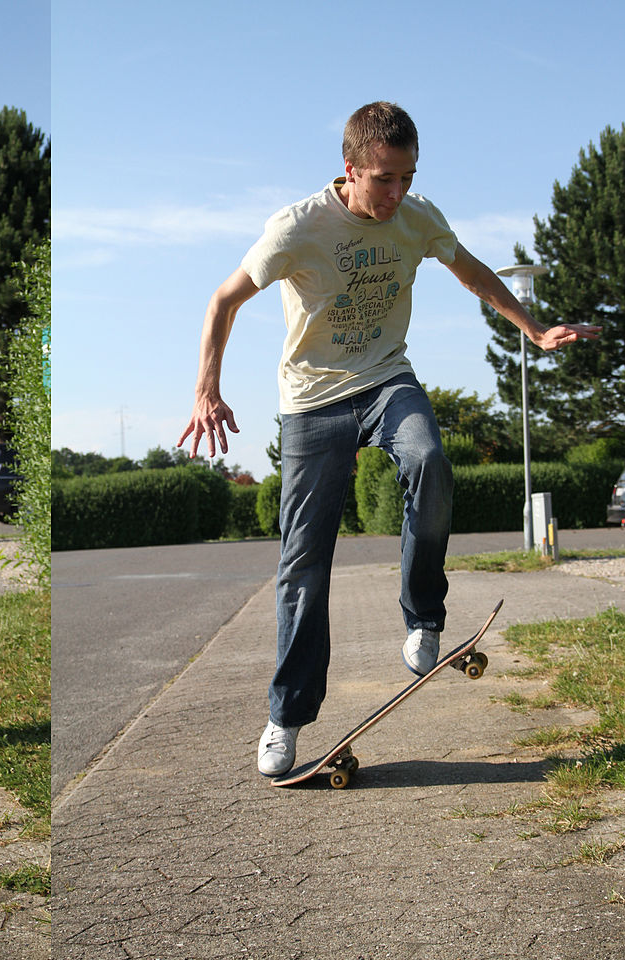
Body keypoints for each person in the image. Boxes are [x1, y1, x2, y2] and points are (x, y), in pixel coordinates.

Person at [175, 102, 600, 778]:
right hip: (311, 402)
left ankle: (423, 616)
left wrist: (535, 329)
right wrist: (206, 387)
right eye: (383, 181)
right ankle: (286, 718)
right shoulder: (297, 226)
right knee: (304, 567)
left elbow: (474, 274)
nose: (396, 195)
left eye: (407, 179)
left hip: (386, 381)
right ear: (350, 170)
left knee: (429, 458)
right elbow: (223, 299)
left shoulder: (418, 217)